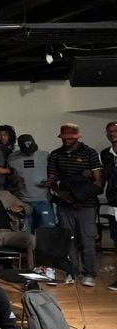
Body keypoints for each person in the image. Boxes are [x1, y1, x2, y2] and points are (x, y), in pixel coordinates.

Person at [47, 123, 103, 286]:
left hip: (86, 204)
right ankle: (72, 271)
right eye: (64, 138)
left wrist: (77, 194)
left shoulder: (90, 153)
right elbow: (51, 179)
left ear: (77, 137)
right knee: (68, 239)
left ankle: (90, 273)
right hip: (64, 204)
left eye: (70, 138)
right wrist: (61, 192)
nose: (66, 140)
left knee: (87, 239)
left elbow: (98, 182)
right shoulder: (56, 155)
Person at [8, 134, 54, 231]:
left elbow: (54, 173)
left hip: (43, 200)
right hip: (22, 201)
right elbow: (8, 176)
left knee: (47, 233)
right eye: (26, 151)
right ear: (19, 147)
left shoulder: (45, 155)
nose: (29, 153)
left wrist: (51, 181)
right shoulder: (12, 157)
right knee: (26, 234)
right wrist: (16, 181)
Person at [101, 121, 117, 291]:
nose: (112, 134)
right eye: (110, 132)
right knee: (116, 241)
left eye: (115, 131)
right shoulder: (105, 154)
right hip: (113, 203)